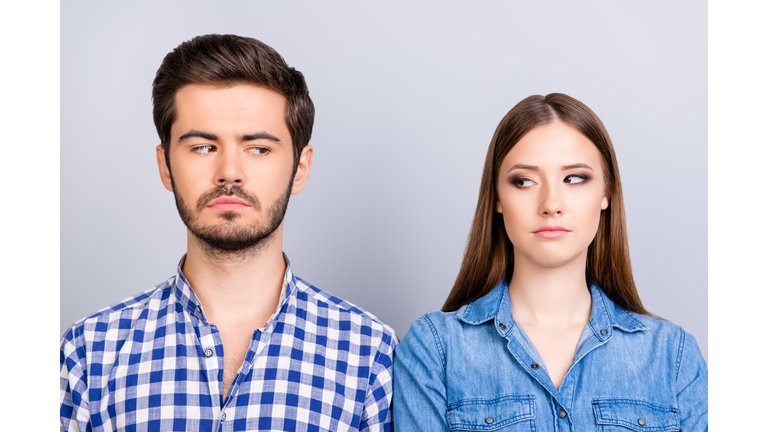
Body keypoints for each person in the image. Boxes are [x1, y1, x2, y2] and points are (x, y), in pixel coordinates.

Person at [60, 34, 397, 432]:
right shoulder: (89, 351)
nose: (230, 171)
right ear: (166, 165)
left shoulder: (368, 353)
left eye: (258, 148)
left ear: (300, 169)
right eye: (203, 146)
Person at [393, 93, 707, 431]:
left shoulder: (672, 355)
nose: (551, 204)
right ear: (497, 197)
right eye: (524, 181)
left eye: (574, 178)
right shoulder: (435, 350)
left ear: (606, 193)